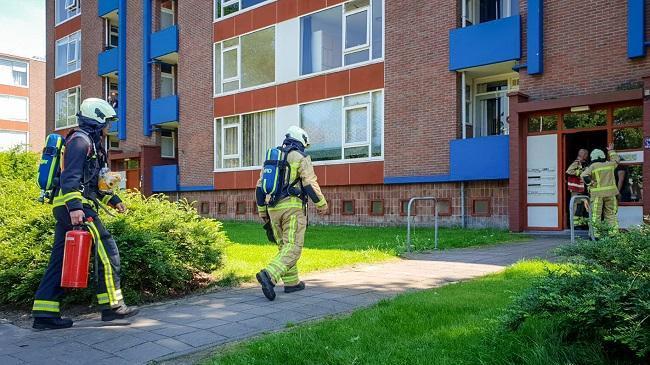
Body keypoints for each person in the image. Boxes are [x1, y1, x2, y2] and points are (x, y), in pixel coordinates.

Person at [32, 98, 138, 330]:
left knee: (59, 259)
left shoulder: (90, 142)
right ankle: (112, 307)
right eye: (107, 122)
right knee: (107, 249)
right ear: (97, 119)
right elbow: (70, 178)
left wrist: (114, 200)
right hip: (75, 206)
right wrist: (76, 209)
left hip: (69, 206)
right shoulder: (80, 141)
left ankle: (44, 313)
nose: (109, 127)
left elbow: (94, 183)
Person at [254, 126, 328, 301]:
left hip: (272, 209)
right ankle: (269, 274)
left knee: (284, 247)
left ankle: (292, 283)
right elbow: (310, 184)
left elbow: (259, 188)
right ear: (301, 140)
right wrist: (321, 204)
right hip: (292, 209)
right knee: (293, 247)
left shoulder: (273, 159)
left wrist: (262, 211)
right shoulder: (300, 157)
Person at [581, 143, 621, 237]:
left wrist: (591, 183)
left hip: (597, 194)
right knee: (611, 214)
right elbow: (616, 159)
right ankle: (613, 234)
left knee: (596, 215)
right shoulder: (610, 164)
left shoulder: (593, 166)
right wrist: (611, 150)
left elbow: (583, 175)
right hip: (611, 194)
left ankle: (595, 235)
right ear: (603, 156)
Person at [566, 149, 590, 227]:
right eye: (586, 154)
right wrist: (580, 172)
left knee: (582, 206)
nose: (587, 156)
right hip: (576, 189)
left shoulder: (583, 163)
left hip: (581, 189)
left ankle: (580, 223)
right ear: (582, 155)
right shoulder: (576, 163)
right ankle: (574, 225)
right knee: (575, 206)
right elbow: (569, 171)